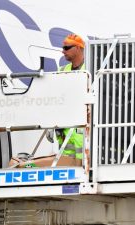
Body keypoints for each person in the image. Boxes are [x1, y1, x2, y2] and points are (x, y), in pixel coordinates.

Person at [47, 34, 85, 166]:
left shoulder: (90, 70)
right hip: (66, 130)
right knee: (66, 167)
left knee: (85, 166)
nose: (63, 51)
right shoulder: (62, 71)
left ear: (78, 49)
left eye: (67, 47)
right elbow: (55, 100)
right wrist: (50, 124)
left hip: (84, 129)